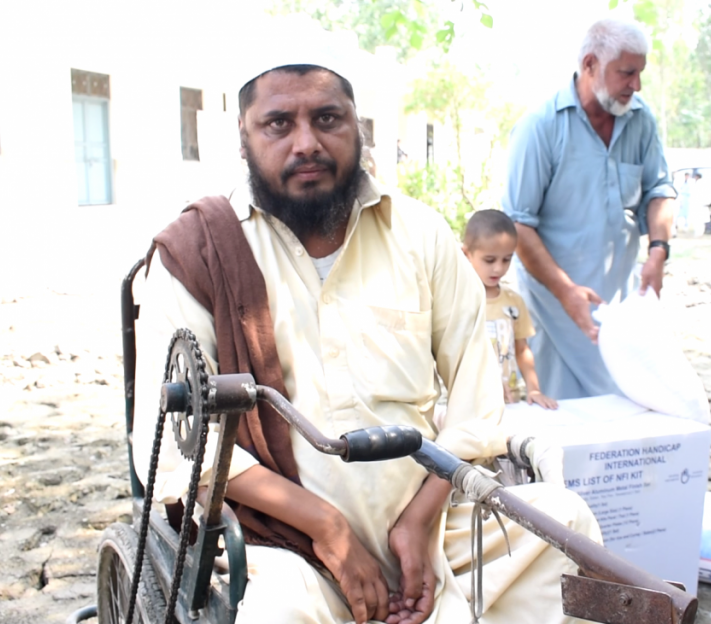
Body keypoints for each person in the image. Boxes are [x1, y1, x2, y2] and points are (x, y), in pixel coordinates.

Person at [133, 52, 601, 624]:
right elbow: (189, 454)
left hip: (431, 517)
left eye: (327, 119)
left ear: (358, 127)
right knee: (276, 613)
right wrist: (328, 528)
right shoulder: (196, 254)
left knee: (565, 523)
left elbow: (478, 404)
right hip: (281, 543)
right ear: (244, 138)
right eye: (279, 123)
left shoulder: (420, 234)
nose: (306, 142)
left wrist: (417, 522)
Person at [502, 17, 677, 400]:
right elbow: (517, 225)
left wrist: (659, 251)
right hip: (552, 310)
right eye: (627, 73)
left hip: (619, 307)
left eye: (640, 73)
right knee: (560, 430)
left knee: (621, 422)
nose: (637, 85)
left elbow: (660, 189)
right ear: (590, 65)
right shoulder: (540, 127)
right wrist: (566, 292)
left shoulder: (641, 120)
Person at [462, 210, 557, 409]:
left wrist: (534, 389)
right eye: (489, 260)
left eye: (506, 259)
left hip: (512, 400)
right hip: (472, 402)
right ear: (466, 254)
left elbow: (522, 350)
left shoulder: (514, 302)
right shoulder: (459, 301)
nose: (498, 268)